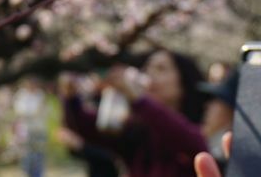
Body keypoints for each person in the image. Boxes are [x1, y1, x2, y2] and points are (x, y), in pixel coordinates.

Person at [61, 50, 208, 177]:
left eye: (161, 69)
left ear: (184, 81)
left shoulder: (198, 125)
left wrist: (138, 100)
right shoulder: (141, 126)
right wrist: (72, 98)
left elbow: (191, 142)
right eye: (147, 68)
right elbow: (93, 130)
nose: (150, 74)